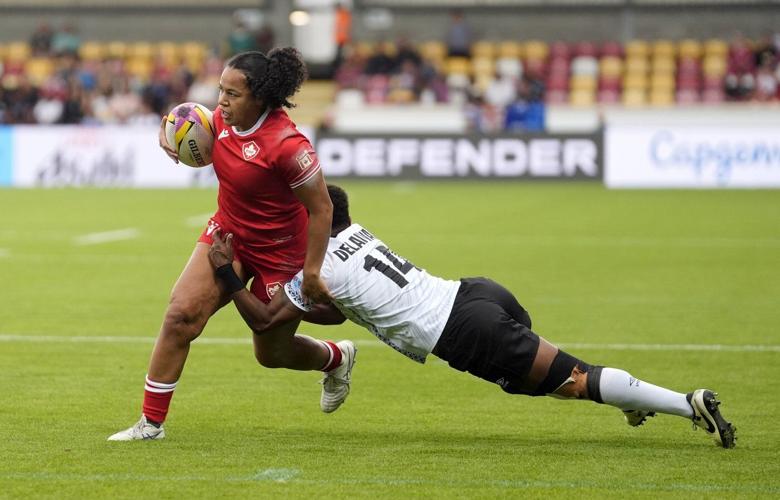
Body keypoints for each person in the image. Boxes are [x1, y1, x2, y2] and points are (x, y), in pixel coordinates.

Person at [207, 184, 737, 449]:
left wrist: (228, 272)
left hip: (462, 331)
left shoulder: (316, 271)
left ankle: (687, 404)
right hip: (476, 292)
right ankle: (629, 399)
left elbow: (262, 323)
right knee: (548, 381)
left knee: (575, 381)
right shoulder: (356, 232)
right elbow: (341, 312)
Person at [107, 49, 355, 441]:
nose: (220, 101)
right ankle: (150, 425)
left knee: (270, 354)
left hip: (280, 253)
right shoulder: (220, 120)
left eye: (231, 94)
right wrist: (166, 131)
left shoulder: (289, 146)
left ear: (259, 96)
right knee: (180, 316)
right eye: (220, 90)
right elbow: (183, 118)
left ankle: (335, 357)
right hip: (227, 236)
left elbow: (323, 209)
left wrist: (310, 273)